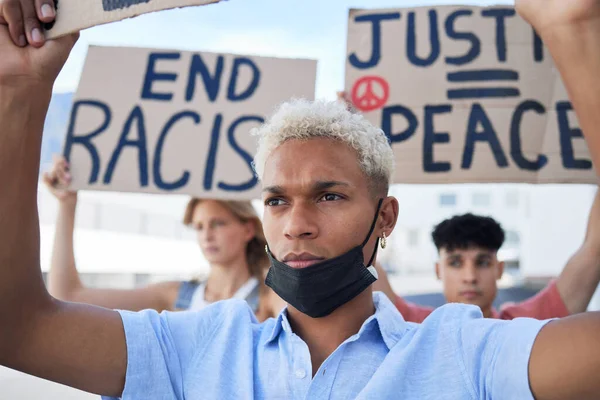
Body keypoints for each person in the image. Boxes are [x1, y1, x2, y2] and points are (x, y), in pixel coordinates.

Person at [1, 1, 600, 399]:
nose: (297, 226)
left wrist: (570, 30)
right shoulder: (196, 347)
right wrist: (20, 89)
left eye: (330, 195)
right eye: (277, 201)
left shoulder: (466, 352)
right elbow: (17, 327)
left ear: (384, 217)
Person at [42, 155, 285, 319]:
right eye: (199, 227)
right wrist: (67, 205)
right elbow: (68, 296)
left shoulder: (269, 297)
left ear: (248, 229)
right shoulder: (173, 295)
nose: (207, 235)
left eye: (218, 224)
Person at [372, 201, 600, 322]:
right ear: (438, 270)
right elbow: (362, 254)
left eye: (482, 262)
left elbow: (595, 249)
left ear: (499, 269)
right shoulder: (414, 325)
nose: (470, 277)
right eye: (455, 262)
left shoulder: (526, 323)